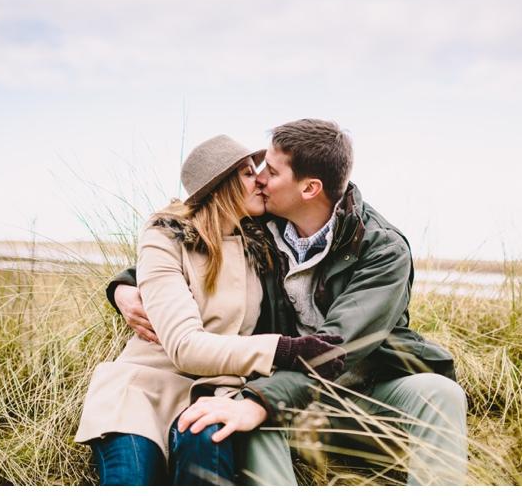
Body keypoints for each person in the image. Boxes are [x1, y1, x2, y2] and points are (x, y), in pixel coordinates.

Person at [109, 119, 469, 485]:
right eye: (260, 168)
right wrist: (123, 286)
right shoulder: (263, 225)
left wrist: (259, 402)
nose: (261, 178)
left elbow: (333, 350)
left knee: (441, 393)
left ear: (310, 188)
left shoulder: (381, 249)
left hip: (360, 387)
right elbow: (187, 247)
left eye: (273, 171)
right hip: (280, 385)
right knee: (246, 413)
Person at [75, 134, 347, 486]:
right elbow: (184, 346)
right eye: (249, 173)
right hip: (144, 390)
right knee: (132, 479)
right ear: (222, 184)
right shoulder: (165, 238)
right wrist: (285, 350)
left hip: (218, 391)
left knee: (204, 453)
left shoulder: (264, 239)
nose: (261, 180)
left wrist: (123, 284)